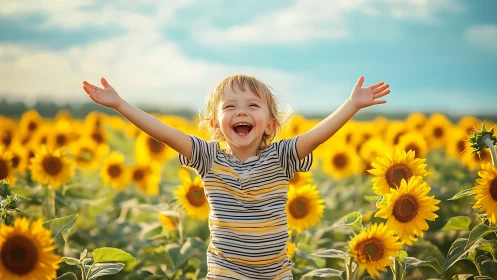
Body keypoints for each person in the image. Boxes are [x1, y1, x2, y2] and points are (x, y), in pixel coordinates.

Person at [82, 75, 390, 279]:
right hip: (226, 271)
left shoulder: (280, 158)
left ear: (270, 125)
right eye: (230, 107)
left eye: (252, 106)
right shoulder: (208, 158)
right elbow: (164, 133)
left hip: (275, 273)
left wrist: (351, 105)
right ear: (216, 126)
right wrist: (120, 104)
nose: (241, 112)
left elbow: (315, 138)